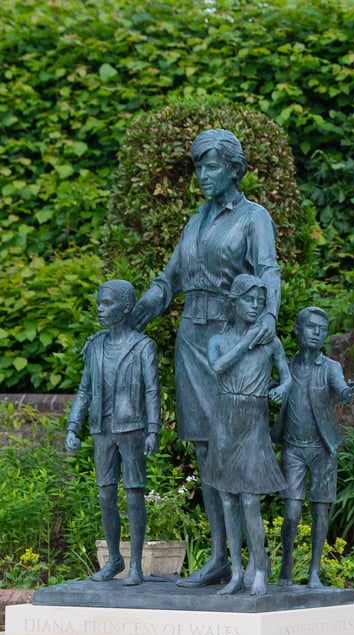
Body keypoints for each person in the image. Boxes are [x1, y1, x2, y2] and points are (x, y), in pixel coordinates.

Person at [130, 128, 282, 588]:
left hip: (229, 338)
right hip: (191, 338)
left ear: (234, 169)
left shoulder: (254, 218)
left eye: (211, 166)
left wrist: (269, 314)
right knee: (203, 446)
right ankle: (220, 557)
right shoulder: (194, 222)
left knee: (231, 446)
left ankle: (250, 563)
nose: (202, 175)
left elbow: (268, 269)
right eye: (198, 167)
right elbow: (170, 277)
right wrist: (141, 309)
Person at [65, 280, 161, 587]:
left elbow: (152, 390)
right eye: (99, 304)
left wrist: (154, 430)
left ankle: (135, 565)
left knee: (134, 495)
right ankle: (114, 560)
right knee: (106, 495)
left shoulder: (142, 346)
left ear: (126, 307)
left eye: (107, 304)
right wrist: (72, 426)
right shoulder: (94, 346)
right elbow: (83, 391)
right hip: (102, 428)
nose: (100, 309)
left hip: (131, 427)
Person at [207, 274, 291, 596]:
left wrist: (283, 388)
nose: (255, 306)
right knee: (227, 499)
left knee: (250, 499)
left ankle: (259, 567)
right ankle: (236, 572)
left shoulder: (271, 341)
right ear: (235, 302)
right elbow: (218, 367)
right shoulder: (218, 339)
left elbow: (286, 376)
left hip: (253, 418)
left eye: (260, 301)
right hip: (225, 417)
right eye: (249, 300)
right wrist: (246, 341)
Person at [273, 306, 354, 588]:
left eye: (322, 329)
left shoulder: (331, 368)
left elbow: (342, 391)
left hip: (323, 449)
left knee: (321, 511)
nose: (317, 333)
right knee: (292, 513)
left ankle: (314, 572)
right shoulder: (286, 367)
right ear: (298, 330)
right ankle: (286, 566)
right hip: (293, 449)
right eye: (311, 327)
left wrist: (347, 393)